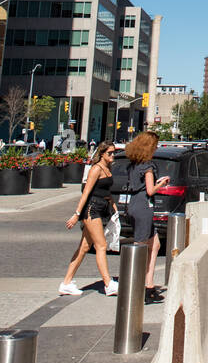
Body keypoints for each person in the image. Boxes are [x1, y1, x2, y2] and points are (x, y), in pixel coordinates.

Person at [60, 141, 119, 296]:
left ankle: (66, 282)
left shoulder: (107, 168)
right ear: (101, 153)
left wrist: (114, 208)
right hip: (91, 210)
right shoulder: (96, 169)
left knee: (84, 247)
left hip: (101, 208)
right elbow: (86, 193)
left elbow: (107, 191)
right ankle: (108, 283)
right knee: (101, 245)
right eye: (109, 153)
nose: (112, 155)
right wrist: (77, 214)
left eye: (114, 152)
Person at [124, 130, 170, 303]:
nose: (156, 148)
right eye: (155, 146)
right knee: (140, 247)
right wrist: (162, 184)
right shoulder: (148, 166)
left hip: (134, 203)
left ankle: (149, 285)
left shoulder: (133, 164)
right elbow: (150, 190)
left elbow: (140, 185)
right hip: (144, 206)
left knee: (155, 244)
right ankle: (138, 286)